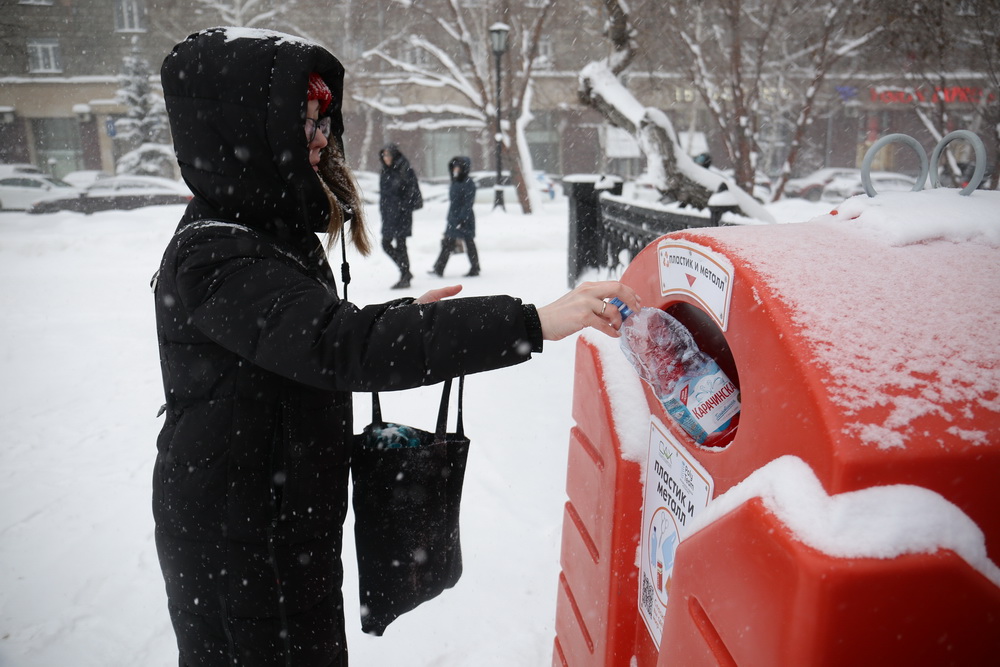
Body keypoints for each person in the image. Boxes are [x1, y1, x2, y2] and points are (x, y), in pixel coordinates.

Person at [154, 27, 639, 667]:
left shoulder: (254, 232)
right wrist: (528, 323)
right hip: (239, 534)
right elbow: (335, 346)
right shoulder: (218, 252)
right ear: (245, 132)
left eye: (324, 121)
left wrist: (393, 318)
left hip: (271, 517)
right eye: (304, 124)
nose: (321, 139)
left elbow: (305, 336)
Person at [378, 143, 422, 289]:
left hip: (401, 214)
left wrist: (402, 207)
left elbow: (412, 191)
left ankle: (405, 276)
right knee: (386, 244)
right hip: (389, 215)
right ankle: (405, 271)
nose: (385, 158)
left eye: (388, 155)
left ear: (394, 155)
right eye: (384, 155)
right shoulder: (386, 171)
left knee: (401, 245)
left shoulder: (404, 169)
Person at [430, 156, 479, 277]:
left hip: (464, 218)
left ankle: (474, 267)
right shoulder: (456, 181)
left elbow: (468, 203)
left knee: (468, 242)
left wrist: (462, 218)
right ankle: (439, 268)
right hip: (453, 217)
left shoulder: (468, 183)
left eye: (458, 167)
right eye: (454, 167)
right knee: (449, 242)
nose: (455, 169)